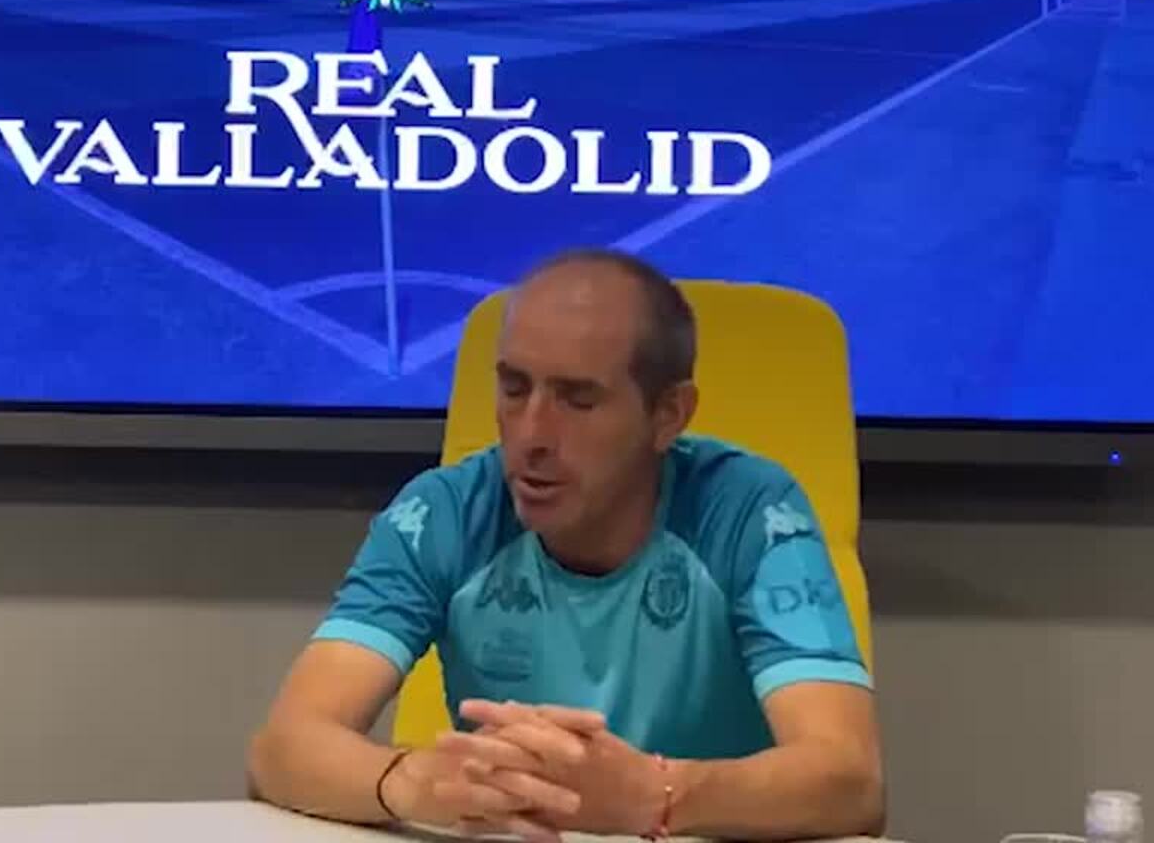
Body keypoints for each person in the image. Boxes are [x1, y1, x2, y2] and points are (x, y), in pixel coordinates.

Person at [245, 249, 884, 841]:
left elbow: (851, 780)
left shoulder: (748, 510)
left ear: (669, 415)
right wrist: (411, 782)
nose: (531, 435)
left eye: (578, 399)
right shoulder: (444, 512)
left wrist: (656, 794)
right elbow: (283, 747)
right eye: (514, 388)